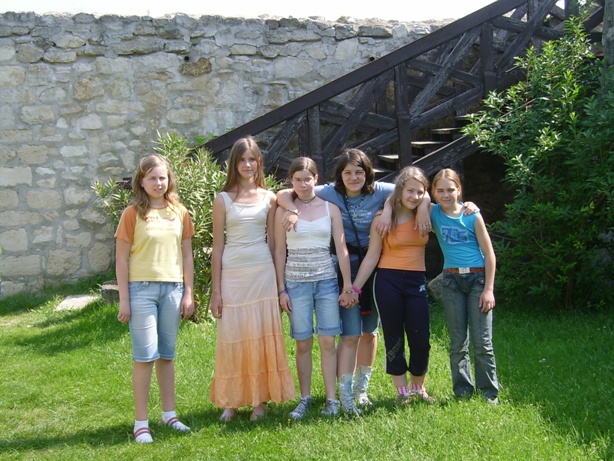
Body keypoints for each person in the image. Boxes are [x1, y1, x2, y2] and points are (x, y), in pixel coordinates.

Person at [278, 148, 430, 410]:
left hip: (374, 264)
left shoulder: (380, 191)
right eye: (347, 173)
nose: (353, 178)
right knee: (348, 331)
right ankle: (343, 390)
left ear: (368, 173)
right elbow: (284, 193)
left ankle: (362, 389)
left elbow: (416, 189)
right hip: (342, 265)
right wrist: (291, 208)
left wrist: (404, 208)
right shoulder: (329, 192)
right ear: (340, 175)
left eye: (359, 172)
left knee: (369, 331)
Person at [209, 136, 296, 422]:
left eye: (252, 160)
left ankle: (260, 400)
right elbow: (217, 248)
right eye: (242, 160)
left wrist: (279, 286)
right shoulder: (222, 199)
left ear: (259, 162)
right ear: (234, 164)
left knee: (260, 335)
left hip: (262, 273)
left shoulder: (269, 198)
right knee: (233, 336)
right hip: (233, 275)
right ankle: (232, 400)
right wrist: (216, 291)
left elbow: (274, 242)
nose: (247, 165)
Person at [115, 154, 195, 444]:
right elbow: (121, 259)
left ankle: (169, 415)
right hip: (141, 291)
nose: (158, 183)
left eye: (162, 177)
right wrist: (124, 299)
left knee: (167, 355)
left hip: (172, 289)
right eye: (152, 178)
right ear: (141, 181)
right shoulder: (132, 213)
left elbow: (187, 255)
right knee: (145, 356)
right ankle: (141, 424)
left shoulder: (180, 212)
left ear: (169, 180)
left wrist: (188, 293)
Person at [274, 157, 356, 419]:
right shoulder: (284, 210)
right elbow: (279, 251)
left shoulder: (331, 208)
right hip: (295, 284)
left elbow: (341, 249)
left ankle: (331, 400)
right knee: (303, 343)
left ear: (316, 179)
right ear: (291, 181)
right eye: (297, 180)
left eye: (307, 179)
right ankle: (305, 398)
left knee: (327, 341)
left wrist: (347, 285)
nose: (303, 184)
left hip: (326, 283)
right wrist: (281, 290)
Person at [351, 166, 436, 404]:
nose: (415, 196)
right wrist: (355, 288)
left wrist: (425, 206)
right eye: (410, 191)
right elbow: (372, 256)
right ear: (399, 191)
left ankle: (418, 388)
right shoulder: (382, 218)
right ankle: (402, 392)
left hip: (416, 280)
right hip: (388, 280)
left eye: (419, 192)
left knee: (421, 337)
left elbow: (446, 205)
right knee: (394, 335)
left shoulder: (427, 212)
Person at [430, 168, 499, 404]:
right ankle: (463, 392)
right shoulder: (433, 212)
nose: (446, 195)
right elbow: (407, 197)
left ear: (459, 190)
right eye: (440, 190)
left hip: (477, 280)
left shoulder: (472, 215)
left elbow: (489, 254)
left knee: (482, 342)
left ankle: (489, 393)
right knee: (458, 342)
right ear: (434, 192)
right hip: (451, 281)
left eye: (451, 189)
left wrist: (488, 289)